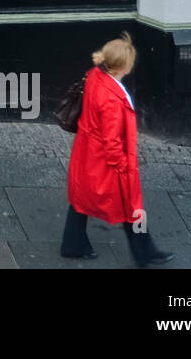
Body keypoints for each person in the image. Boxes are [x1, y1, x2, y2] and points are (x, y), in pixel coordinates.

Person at [62, 33, 174, 267]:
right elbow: (112, 140)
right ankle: (145, 252)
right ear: (123, 65)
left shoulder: (94, 75)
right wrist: (124, 166)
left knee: (81, 198)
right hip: (105, 161)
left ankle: (73, 244)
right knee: (132, 206)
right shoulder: (112, 98)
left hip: (86, 153)